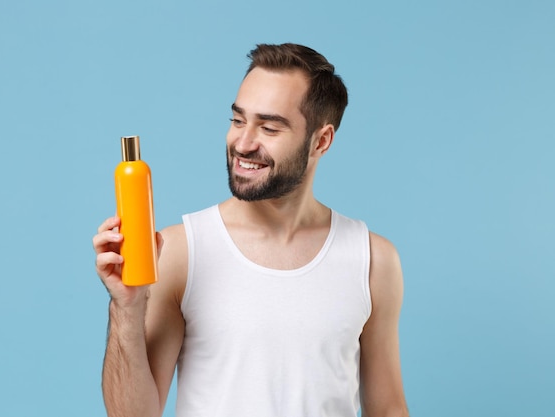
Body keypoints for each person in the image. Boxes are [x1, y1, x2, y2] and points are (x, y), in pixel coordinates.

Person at [93, 43, 409, 417]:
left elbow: (388, 408)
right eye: (238, 120)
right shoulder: (180, 252)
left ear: (320, 141)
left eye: (269, 127)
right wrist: (126, 308)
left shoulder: (373, 261)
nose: (243, 143)